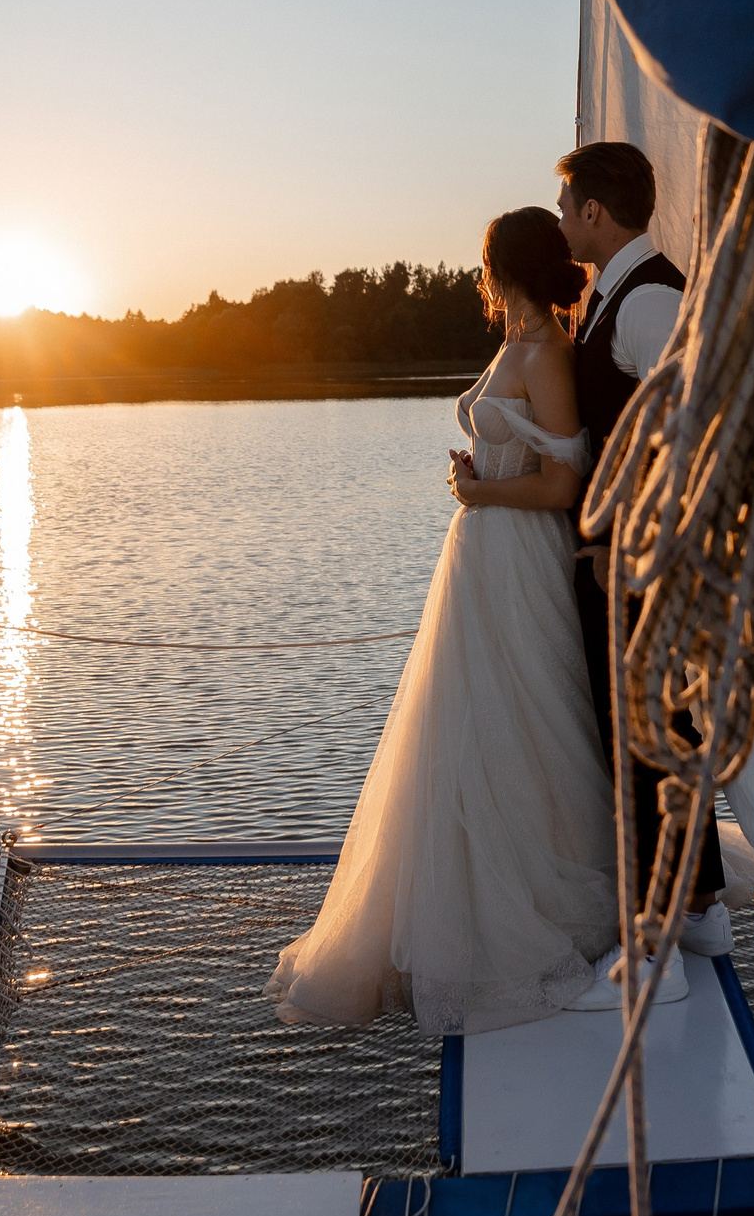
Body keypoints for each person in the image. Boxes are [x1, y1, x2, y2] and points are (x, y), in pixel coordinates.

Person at [264, 208, 619, 1035]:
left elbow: (567, 488)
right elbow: (522, 450)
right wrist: (481, 472)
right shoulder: (518, 339)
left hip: (519, 552)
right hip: (481, 552)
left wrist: (480, 490)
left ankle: (547, 904)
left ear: (504, 268)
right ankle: (455, 895)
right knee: (464, 721)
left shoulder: (550, 351)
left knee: (526, 716)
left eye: (487, 263)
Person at [554, 141, 731, 1011]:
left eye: (565, 208)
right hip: (620, 558)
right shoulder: (611, 296)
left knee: (646, 738)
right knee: (656, 729)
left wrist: (628, 540)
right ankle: (698, 907)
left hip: (640, 560)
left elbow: (690, 430)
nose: (558, 223)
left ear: (594, 210)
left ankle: (655, 944)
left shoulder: (652, 296)